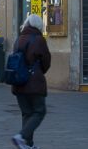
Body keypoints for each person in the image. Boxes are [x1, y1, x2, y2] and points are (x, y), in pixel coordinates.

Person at [10, 13, 51, 149]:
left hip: (18, 82)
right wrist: (39, 72)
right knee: (39, 111)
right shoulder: (39, 40)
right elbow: (46, 62)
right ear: (39, 25)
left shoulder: (19, 39)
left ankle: (27, 145)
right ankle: (21, 137)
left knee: (27, 113)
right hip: (34, 84)